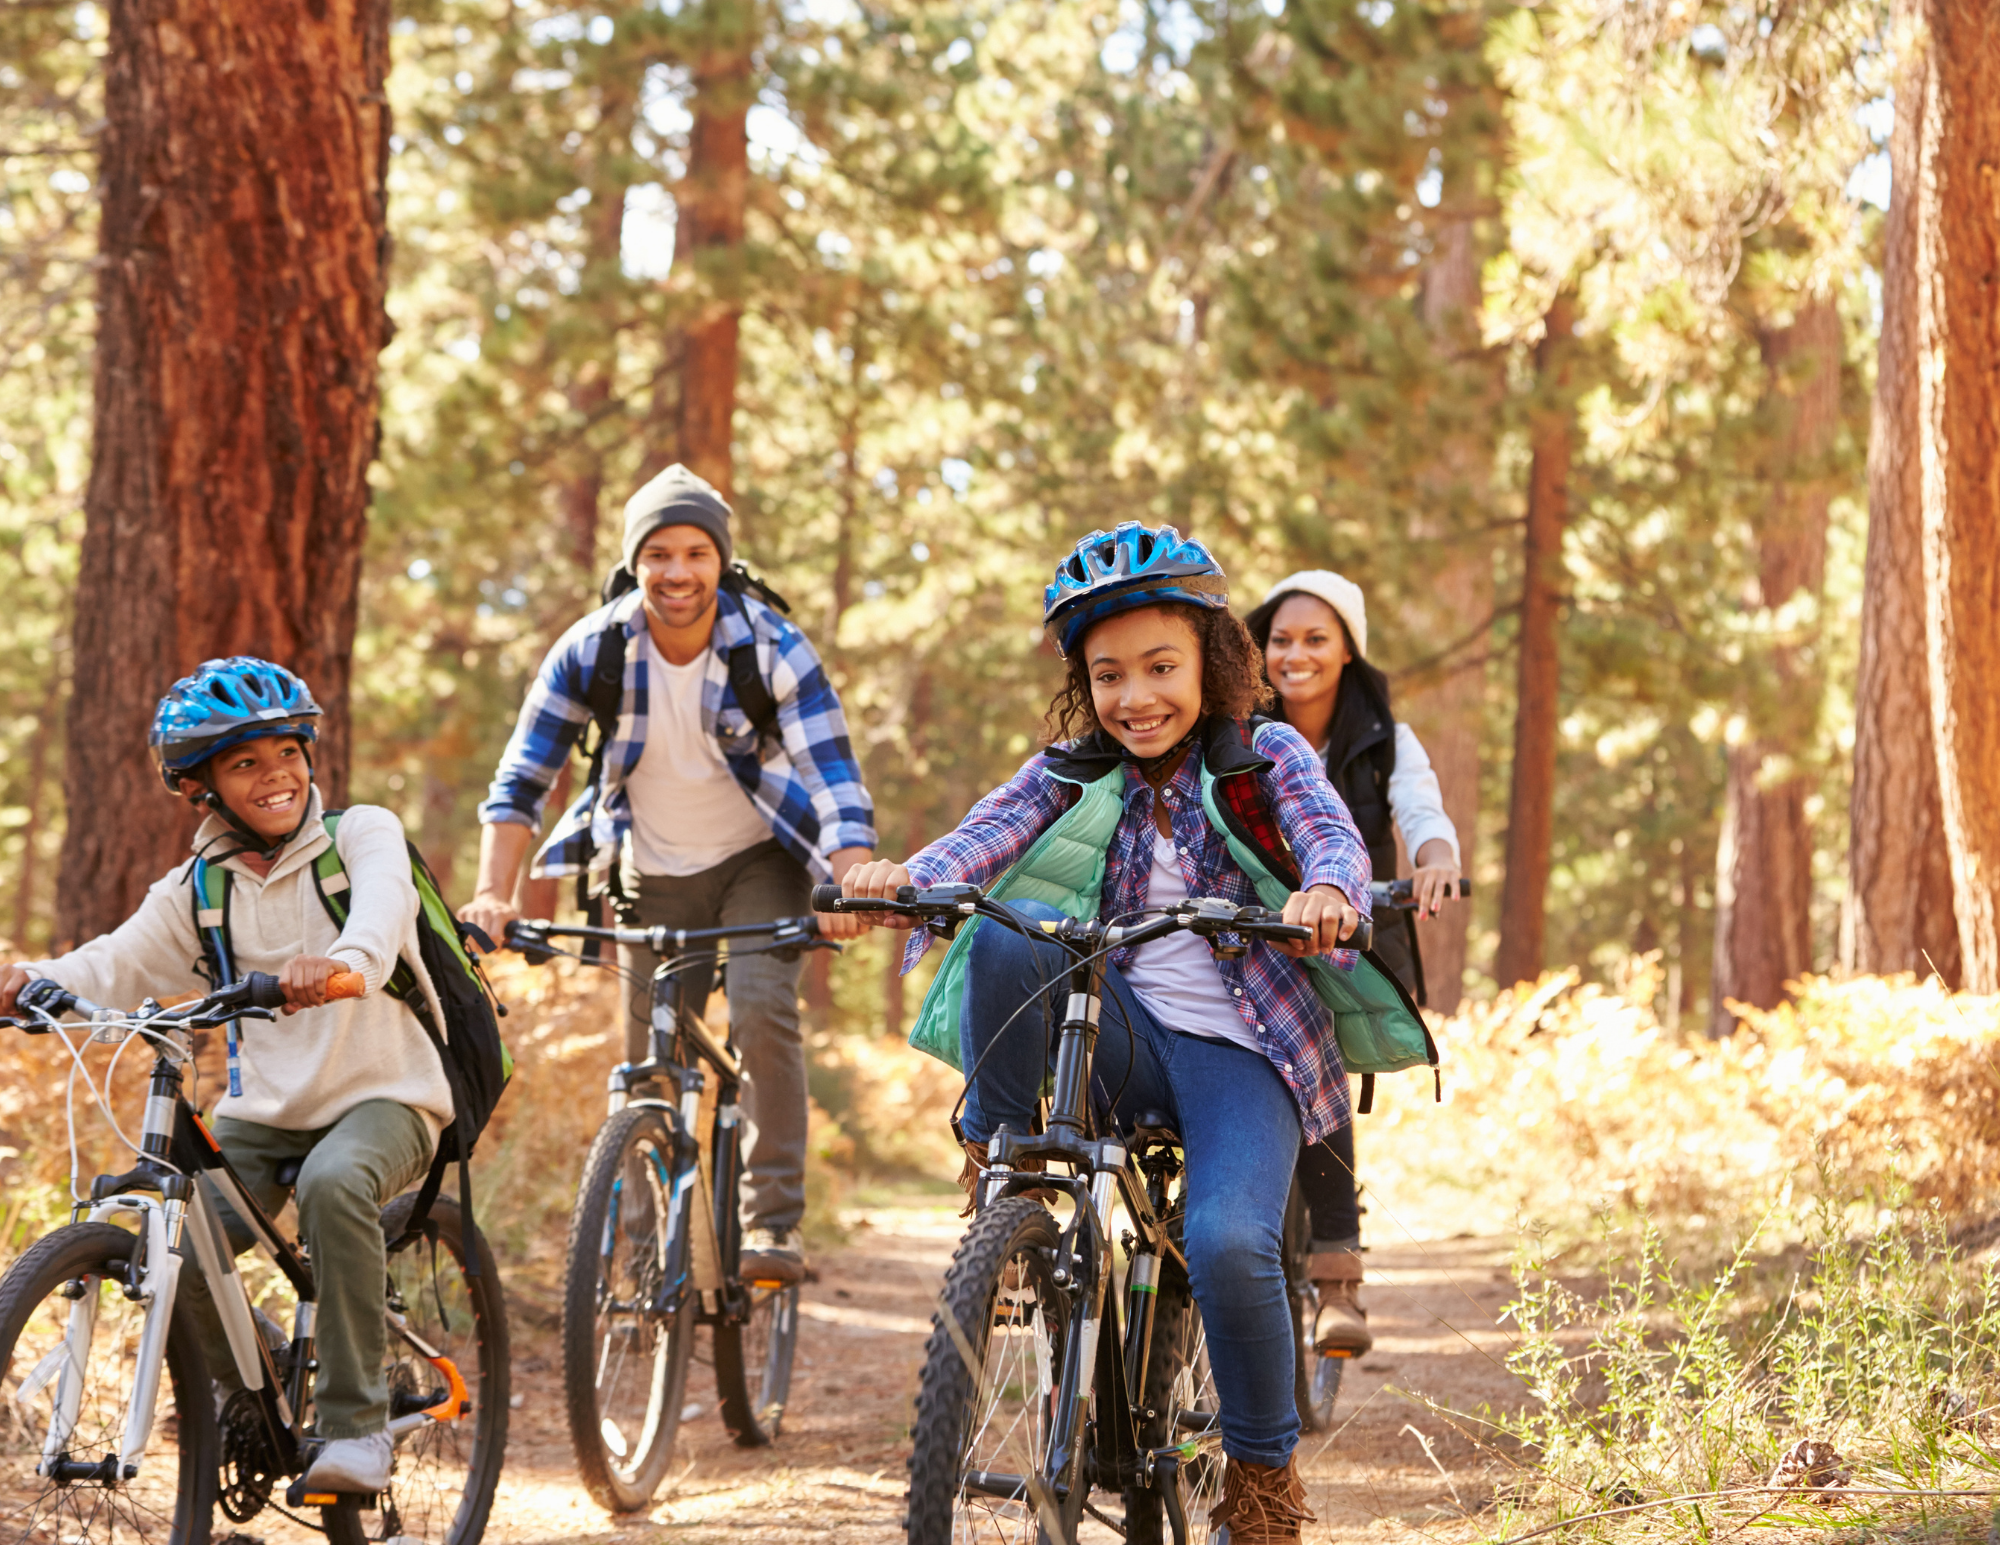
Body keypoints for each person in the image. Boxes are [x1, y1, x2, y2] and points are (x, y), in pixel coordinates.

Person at [838, 524, 1373, 1543]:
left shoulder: (1265, 753)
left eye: (1160, 667)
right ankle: (1008, 1178)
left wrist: (1325, 890)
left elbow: (1328, 837)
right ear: (1086, 684)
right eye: (1110, 675)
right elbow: (980, 837)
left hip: (1241, 1056)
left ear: (1209, 662)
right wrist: (907, 880)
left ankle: (1261, 1485)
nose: (1137, 698)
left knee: (1222, 1242)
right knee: (1010, 930)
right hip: (1120, 1033)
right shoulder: (1075, 771)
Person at [0, 658, 455, 1495]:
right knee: (164, 1241)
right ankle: (264, 1369)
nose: (276, 773)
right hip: (266, 1109)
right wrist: (33, 976)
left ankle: (355, 1425)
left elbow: (383, 911)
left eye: (286, 750)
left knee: (336, 1181)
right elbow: (119, 957)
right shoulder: (199, 888)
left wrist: (345, 962)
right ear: (200, 787)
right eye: (245, 763)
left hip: (385, 1094)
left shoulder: (360, 835)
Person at [463, 464, 875, 1284]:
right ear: (634, 561)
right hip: (648, 866)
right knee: (649, 1067)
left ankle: (773, 1223)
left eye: (695, 552)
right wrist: (492, 894)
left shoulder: (772, 646)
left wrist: (849, 878)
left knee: (761, 1006)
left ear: (721, 560)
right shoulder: (592, 650)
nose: (677, 572)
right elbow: (521, 781)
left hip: (759, 858)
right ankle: (647, 1259)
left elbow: (832, 779)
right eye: (658, 553)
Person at [1243, 569, 1464, 1359]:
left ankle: (1338, 1276)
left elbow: (1422, 813)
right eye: (1280, 639)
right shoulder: (1234, 724)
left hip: (1342, 935)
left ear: (1347, 653)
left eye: (1315, 639)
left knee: (1319, 1055)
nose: (1294, 654)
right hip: (1246, 926)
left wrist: (1435, 863)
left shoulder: (1386, 738)